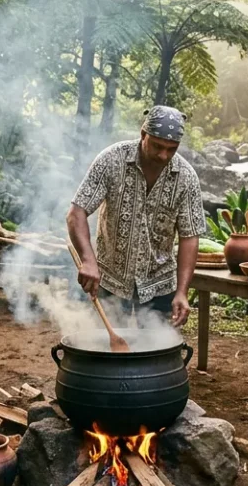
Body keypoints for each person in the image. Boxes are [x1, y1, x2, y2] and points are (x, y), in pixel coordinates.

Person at [67, 105, 206, 329]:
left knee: (156, 356)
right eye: (157, 146)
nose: (163, 155)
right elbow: (77, 213)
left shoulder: (187, 178)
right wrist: (88, 260)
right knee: (103, 351)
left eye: (171, 149)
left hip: (160, 283)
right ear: (143, 135)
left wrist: (182, 292)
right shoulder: (112, 160)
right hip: (110, 279)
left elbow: (189, 237)